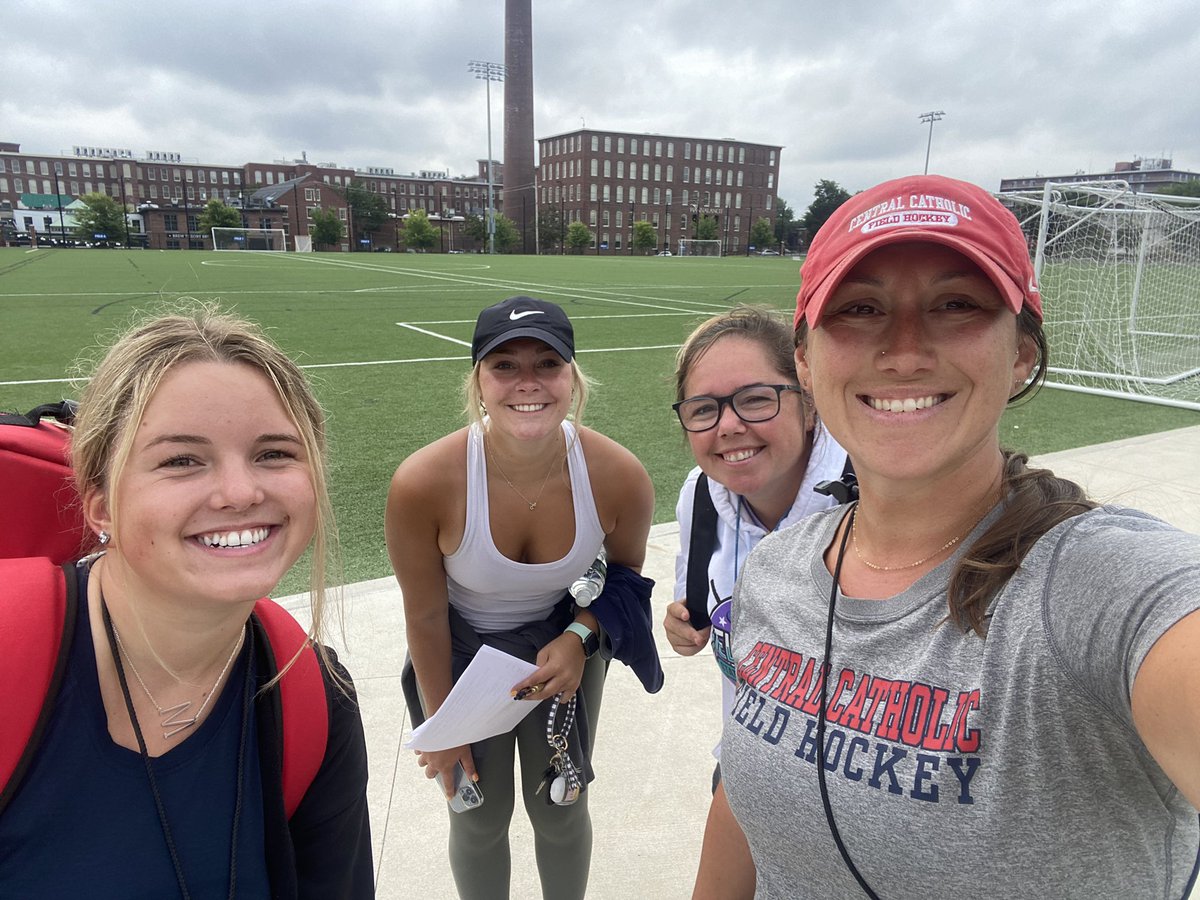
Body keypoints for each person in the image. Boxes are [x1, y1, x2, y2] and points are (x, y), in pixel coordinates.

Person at [698, 174, 1200, 899]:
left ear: (1022, 351)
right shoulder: (775, 572)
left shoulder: (1107, 587)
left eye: (956, 304)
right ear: (804, 362)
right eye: (861, 308)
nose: (905, 349)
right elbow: (746, 803)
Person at [0, 306, 374, 898]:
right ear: (100, 506)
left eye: (274, 453)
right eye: (181, 460)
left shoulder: (315, 699)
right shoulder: (9, 657)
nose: (240, 492)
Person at [385, 296, 654, 900]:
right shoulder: (426, 481)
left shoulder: (617, 475)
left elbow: (626, 583)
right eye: (504, 365)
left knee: (561, 809)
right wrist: (442, 724)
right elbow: (424, 615)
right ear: (477, 380)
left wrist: (580, 637)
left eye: (548, 364)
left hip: (561, 651)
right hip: (457, 654)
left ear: (573, 378)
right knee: (476, 814)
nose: (527, 383)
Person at [663, 306, 848, 784]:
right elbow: (699, 606)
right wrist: (686, 625)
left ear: (809, 404)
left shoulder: (870, 495)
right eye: (703, 409)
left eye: (756, 399)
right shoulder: (700, 496)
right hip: (747, 768)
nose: (727, 426)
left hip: (858, 796)